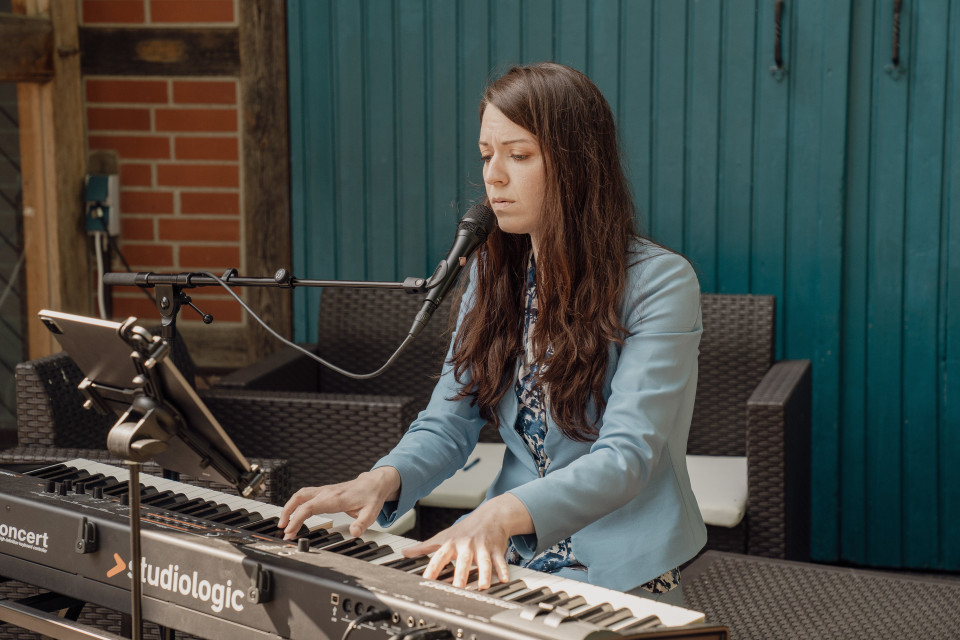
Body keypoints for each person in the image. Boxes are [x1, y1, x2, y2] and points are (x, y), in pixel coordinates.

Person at [278, 62, 705, 606]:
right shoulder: (492, 272)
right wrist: (381, 479)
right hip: (516, 560)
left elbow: (626, 457)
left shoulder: (660, 282)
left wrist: (500, 514)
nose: (494, 176)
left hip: (623, 573)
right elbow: (448, 420)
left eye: (518, 155)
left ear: (578, 165)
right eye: (486, 155)